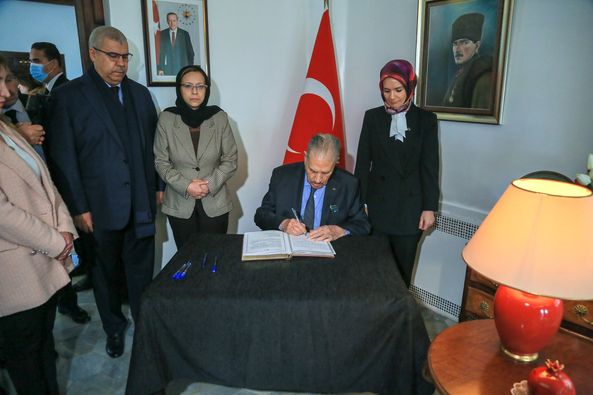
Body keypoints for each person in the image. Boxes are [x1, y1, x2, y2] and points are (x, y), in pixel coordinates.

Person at [45, 26, 160, 359]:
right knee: (104, 274)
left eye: (125, 56)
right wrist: (78, 209)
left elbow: (154, 148)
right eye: (113, 56)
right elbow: (63, 157)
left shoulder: (140, 95)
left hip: (141, 202)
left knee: (141, 271)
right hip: (98, 208)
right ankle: (114, 328)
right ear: (93, 54)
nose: (120, 63)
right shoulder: (68, 97)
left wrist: (157, 187)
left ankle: (145, 323)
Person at [0, 55, 77, 395]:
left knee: (43, 352)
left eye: (6, 80)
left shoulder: (6, 126)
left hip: (45, 263)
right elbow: (3, 214)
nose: (8, 90)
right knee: (27, 366)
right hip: (15, 270)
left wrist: (65, 231)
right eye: (0, 82)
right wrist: (56, 241)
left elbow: (45, 182)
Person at [355, 59, 439, 288]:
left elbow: (430, 167)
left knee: (401, 275)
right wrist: (358, 203)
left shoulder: (427, 121)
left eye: (398, 90)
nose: (392, 97)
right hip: (377, 209)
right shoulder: (372, 118)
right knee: (374, 271)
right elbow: (363, 164)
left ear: (410, 87)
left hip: (410, 211)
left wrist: (429, 207)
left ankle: (397, 320)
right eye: (387, 90)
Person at [29, 41, 94, 321]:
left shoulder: (68, 93)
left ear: (53, 63)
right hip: (49, 178)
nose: (33, 66)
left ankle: (72, 293)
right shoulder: (40, 94)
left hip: (64, 178)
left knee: (73, 239)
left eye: (36, 60)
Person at [154, 65, 238, 249]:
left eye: (200, 86)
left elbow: (230, 159)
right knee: (187, 259)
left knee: (215, 256)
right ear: (179, 88)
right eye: (188, 86)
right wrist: (187, 186)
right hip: (179, 203)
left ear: (206, 90)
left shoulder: (219, 117)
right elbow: (161, 161)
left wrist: (208, 185)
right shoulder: (167, 119)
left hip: (215, 202)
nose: (194, 91)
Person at [255, 133, 370, 241]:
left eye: (325, 173)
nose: (318, 179)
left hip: (328, 253)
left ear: (335, 163)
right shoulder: (282, 176)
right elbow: (261, 215)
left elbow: (363, 224)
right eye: (313, 170)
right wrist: (284, 224)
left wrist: (338, 231)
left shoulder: (349, 184)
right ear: (305, 158)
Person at [442, 12, 493, 109]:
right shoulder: (460, 73)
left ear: (477, 46)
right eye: (455, 44)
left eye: (464, 42)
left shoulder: (483, 77)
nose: (458, 49)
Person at [1, 67, 45, 157]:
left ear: (17, 81)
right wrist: (20, 136)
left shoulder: (40, 103)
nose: (6, 90)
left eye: (9, 80)